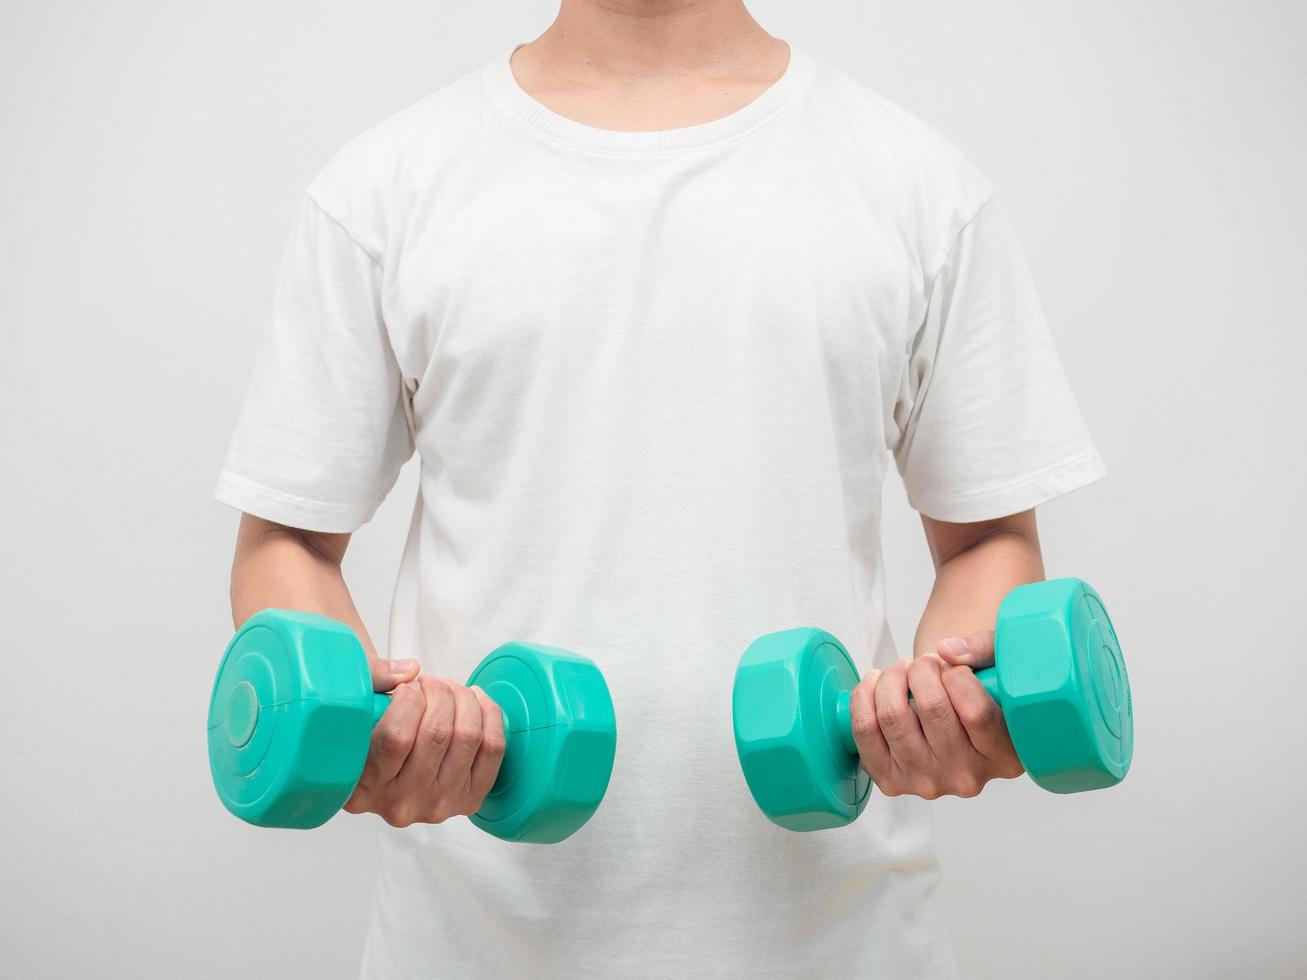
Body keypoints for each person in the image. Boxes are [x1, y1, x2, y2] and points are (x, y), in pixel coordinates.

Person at [215, 2, 1105, 976]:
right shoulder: (384, 188)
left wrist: (951, 700)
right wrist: (362, 730)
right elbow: (287, 541)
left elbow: (987, 539)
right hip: (478, 936)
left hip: (836, 936)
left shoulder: (914, 184)